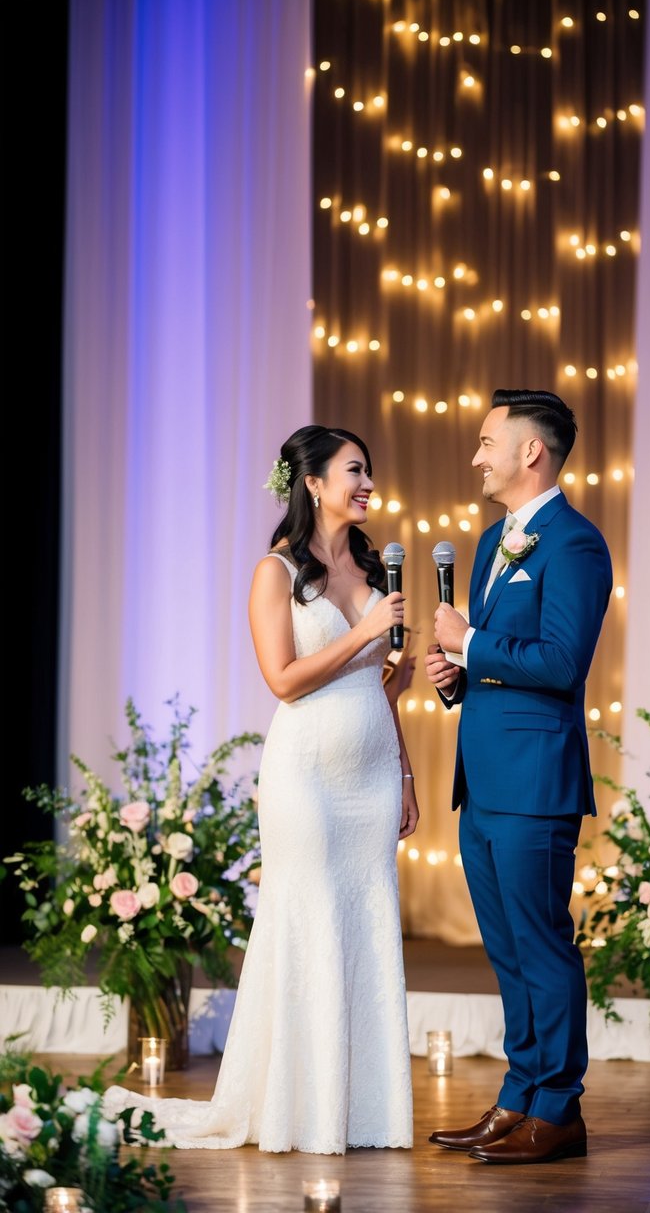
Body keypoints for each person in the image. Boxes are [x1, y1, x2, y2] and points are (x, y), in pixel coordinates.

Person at [105, 424, 418, 1154]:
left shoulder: (376, 569)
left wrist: (404, 770)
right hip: (304, 773)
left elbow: (385, 687)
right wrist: (364, 629)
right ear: (313, 483)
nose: (367, 482)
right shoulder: (275, 572)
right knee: (305, 922)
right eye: (353, 470)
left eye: (368, 470)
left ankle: (365, 1111)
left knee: (368, 927)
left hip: (371, 770)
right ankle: (291, 1108)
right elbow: (282, 679)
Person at [424, 389, 612, 1165]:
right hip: (483, 778)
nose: (475, 456)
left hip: (534, 782)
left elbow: (564, 663)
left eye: (485, 441)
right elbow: (502, 662)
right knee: (505, 950)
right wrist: (456, 672)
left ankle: (558, 1110)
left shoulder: (572, 543)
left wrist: (469, 643)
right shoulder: (491, 539)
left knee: (541, 946)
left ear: (530, 451)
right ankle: (518, 1097)